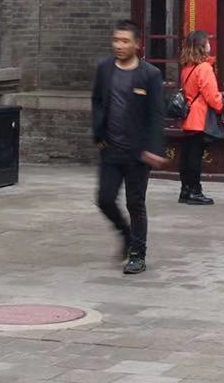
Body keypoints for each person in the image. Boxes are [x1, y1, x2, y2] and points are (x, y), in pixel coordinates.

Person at [91, 21, 169, 275]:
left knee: (135, 203)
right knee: (104, 199)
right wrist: (98, 133)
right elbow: (97, 101)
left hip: (138, 153)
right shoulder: (104, 69)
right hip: (110, 149)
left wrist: (154, 148)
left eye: (125, 41)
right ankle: (125, 234)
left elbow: (156, 114)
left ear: (137, 44)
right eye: (116, 40)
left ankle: (138, 254)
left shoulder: (150, 75)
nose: (119, 45)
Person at [177, 29, 222, 206]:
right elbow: (212, 95)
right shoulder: (204, 68)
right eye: (207, 42)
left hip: (188, 118)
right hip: (200, 118)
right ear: (202, 46)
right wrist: (221, 106)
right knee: (195, 157)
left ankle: (185, 190)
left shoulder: (187, 67)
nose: (210, 45)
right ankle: (195, 191)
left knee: (187, 156)